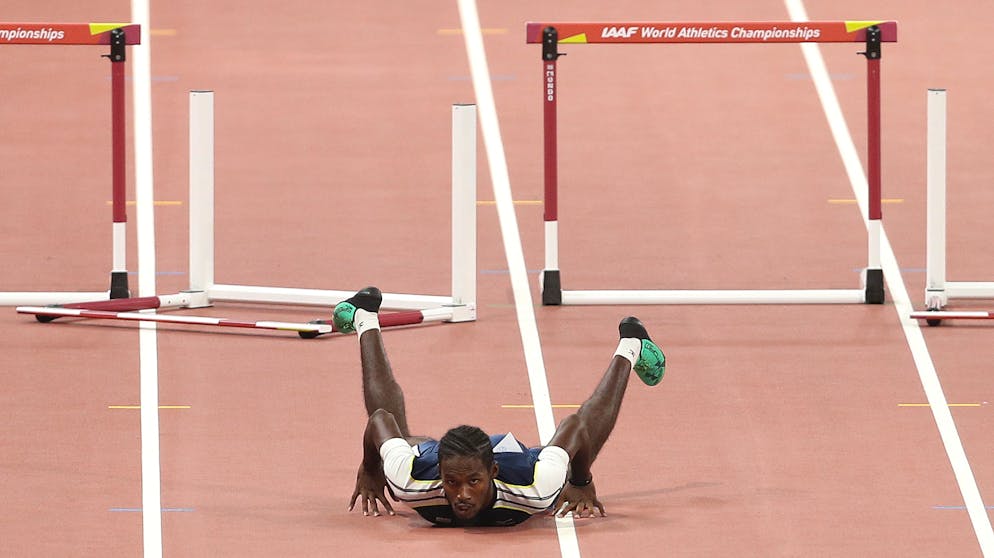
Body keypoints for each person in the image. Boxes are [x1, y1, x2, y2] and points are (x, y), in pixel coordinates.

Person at [335, 286, 666, 527]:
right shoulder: (412, 483)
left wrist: (580, 481)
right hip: (446, 454)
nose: (462, 494)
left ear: (491, 474)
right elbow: (380, 420)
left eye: (473, 482)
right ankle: (365, 314)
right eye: (452, 482)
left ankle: (631, 345)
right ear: (440, 475)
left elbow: (575, 428)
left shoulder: (534, 486)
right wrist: (371, 468)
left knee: (573, 451)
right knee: (399, 441)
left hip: (510, 454)